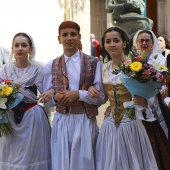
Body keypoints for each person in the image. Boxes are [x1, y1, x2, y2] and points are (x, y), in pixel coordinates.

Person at [88, 27, 170, 170]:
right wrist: (91, 89)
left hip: (134, 122)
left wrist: (145, 101)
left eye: (116, 41)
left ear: (124, 44)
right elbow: (102, 98)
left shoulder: (136, 66)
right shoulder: (103, 68)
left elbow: (152, 95)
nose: (112, 44)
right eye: (108, 41)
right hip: (110, 124)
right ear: (104, 45)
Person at [42, 21, 105, 170]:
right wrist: (55, 96)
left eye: (73, 34)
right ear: (59, 39)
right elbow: (48, 99)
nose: (69, 38)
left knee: (84, 164)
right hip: (62, 121)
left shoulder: (94, 62)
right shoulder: (50, 65)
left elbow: (101, 98)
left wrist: (79, 94)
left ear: (79, 37)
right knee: (61, 164)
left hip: (84, 119)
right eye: (65, 35)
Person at [0, 32, 51, 170]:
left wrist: (50, 93)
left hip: (32, 118)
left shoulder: (38, 69)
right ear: (12, 49)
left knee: (32, 157)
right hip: (10, 119)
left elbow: (47, 92)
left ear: (30, 49)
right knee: (11, 155)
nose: (20, 48)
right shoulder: (5, 70)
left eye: (24, 45)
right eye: (16, 45)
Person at [157, 34, 170, 100]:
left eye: (161, 40)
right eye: (157, 40)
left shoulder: (168, 53)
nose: (158, 42)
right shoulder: (155, 54)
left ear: (165, 43)